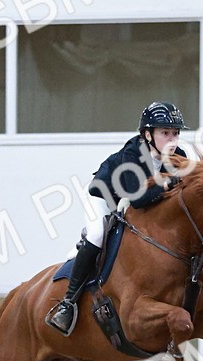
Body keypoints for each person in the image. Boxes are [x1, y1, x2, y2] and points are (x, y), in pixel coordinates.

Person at [45, 101, 190, 336]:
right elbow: (140, 198)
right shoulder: (134, 154)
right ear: (147, 134)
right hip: (103, 197)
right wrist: (169, 182)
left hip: (130, 203)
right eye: (165, 133)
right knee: (97, 235)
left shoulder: (179, 156)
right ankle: (67, 303)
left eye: (175, 133)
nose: (172, 140)